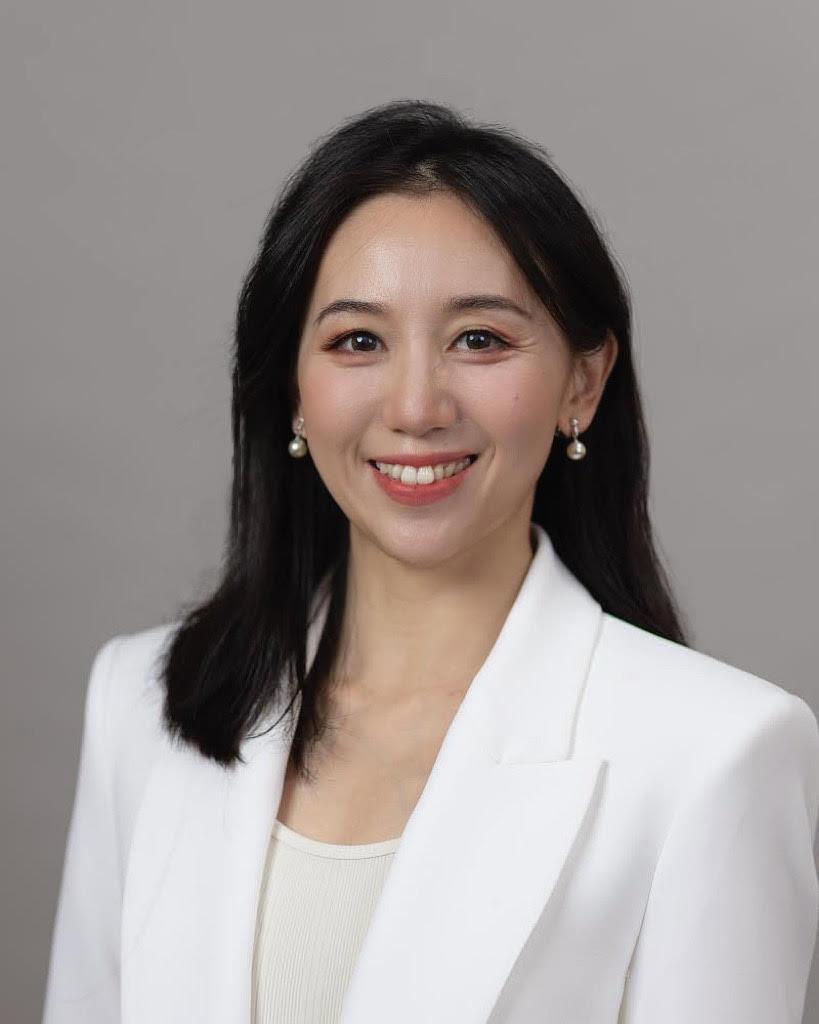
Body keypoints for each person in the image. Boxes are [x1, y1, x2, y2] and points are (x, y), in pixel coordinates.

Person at [43, 99, 819, 1024]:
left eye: (479, 339)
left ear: (583, 380)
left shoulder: (716, 755)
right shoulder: (142, 702)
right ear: (290, 387)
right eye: (356, 341)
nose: (415, 406)